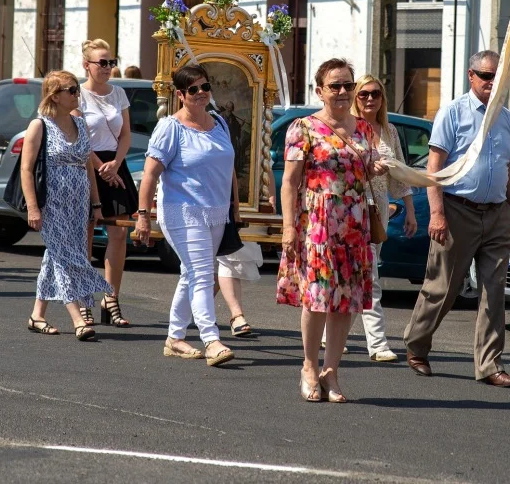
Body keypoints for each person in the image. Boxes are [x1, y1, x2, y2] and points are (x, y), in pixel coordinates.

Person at [403, 50, 510, 387]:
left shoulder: (505, 117)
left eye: (496, 76)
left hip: (497, 213)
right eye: (485, 76)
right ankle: (417, 345)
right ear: (471, 76)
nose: (491, 82)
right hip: (458, 210)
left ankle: (490, 365)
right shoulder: (453, 113)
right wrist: (438, 213)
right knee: (443, 287)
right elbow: (434, 168)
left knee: (494, 291)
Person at [278, 58, 387, 402]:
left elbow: (361, 173)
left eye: (347, 85)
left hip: (354, 221)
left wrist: (374, 168)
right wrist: (287, 228)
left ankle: (332, 371)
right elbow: (290, 181)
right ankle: (309, 366)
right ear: (320, 91)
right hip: (318, 220)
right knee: (318, 297)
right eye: (335, 86)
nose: (342, 92)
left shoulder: (365, 129)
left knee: (348, 300)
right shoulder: (303, 128)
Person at [135, 64, 238, 368]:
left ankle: (174, 339)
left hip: (216, 211)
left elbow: (229, 166)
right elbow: (150, 176)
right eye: (193, 89)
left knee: (191, 274)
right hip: (182, 211)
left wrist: (234, 205)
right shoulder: (171, 127)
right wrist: (143, 215)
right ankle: (211, 339)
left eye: (205, 87)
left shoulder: (219, 122)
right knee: (203, 274)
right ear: (180, 95)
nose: (201, 93)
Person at [328, 74, 417, 362]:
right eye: (363, 93)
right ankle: (377, 344)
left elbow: (400, 175)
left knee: (360, 275)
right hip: (351, 208)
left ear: (382, 98)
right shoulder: (350, 128)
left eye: (375, 94)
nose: (369, 99)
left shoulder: (389, 129)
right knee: (369, 277)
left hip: (378, 211)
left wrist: (410, 211)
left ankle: (333, 337)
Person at [22, 71, 112, 340]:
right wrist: (33, 208)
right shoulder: (40, 126)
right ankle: (77, 317)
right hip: (52, 202)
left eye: (76, 89)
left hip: (78, 201)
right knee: (63, 257)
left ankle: (37, 314)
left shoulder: (79, 122)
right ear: (55, 96)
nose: (77, 93)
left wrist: (95, 204)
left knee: (56, 254)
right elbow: (27, 169)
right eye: (71, 90)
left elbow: (87, 167)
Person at [76, 39, 139, 328]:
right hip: (88, 165)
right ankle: (85, 299)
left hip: (116, 163)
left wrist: (115, 164)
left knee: (118, 234)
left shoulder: (119, 93)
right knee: (86, 234)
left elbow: (126, 134)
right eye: (102, 62)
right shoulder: (77, 95)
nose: (108, 68)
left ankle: (111, 297)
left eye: (111, 62)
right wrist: (101, 168)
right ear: (86, 65)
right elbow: (78, 137)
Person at [215, 172, 275, 338]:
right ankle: (236, 315)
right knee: (227, 260)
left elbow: (264, 166)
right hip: (218, 200)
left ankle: (198, 309)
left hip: (247, 202)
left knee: (228, 260)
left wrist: (270, 200)